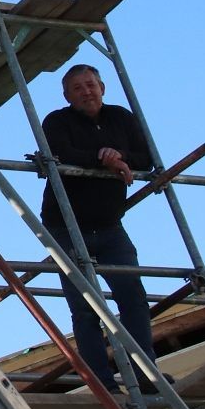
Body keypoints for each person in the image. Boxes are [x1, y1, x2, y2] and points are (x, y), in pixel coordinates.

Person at [41, 63, 159, 391]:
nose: (86, 91)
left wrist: (118, 155)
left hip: (109, 224)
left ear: (102, 88)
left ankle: (145, 375)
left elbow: (145, 156)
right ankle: (102, 382)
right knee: (85, 307)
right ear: (67, 96)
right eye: (77, 88)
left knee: (132, 297)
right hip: (66, 225)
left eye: (91, 84)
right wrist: (103, 158)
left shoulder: (120, 117)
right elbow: (61, 154)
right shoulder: (57, 121)